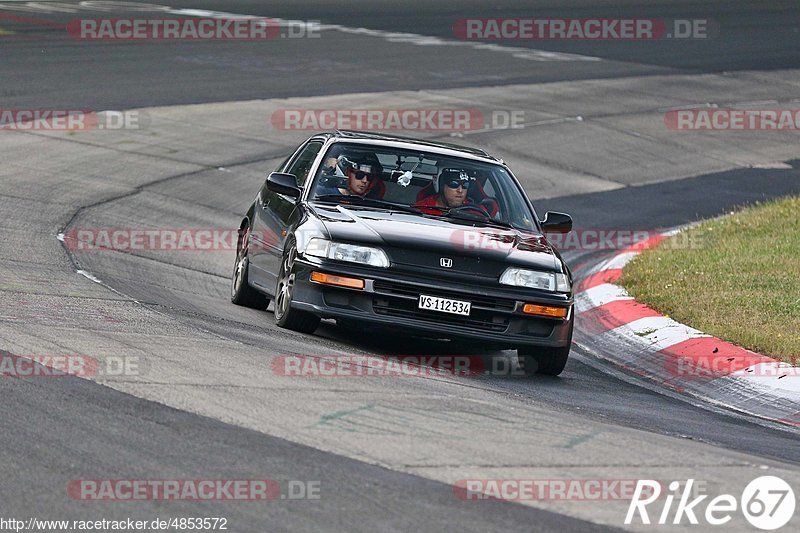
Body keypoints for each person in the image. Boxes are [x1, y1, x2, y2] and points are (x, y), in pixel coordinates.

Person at [315, 156, 382, 198]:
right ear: (345, 173)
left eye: (369, 177)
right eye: (359, 175)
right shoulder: (319, 194)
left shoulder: (373, 203)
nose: (365, 181)